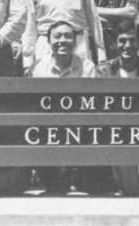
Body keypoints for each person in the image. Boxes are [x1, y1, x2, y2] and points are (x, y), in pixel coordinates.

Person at [31, 22, 103, 194]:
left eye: (68, 36)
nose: (62, 40)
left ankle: (78, 175)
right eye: (57, 36)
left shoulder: (87, 67)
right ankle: (56, 177)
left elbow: (88, 104)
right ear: (48, 41)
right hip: (49, 127)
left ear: (76, 41)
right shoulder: (39, 67)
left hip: (80, 126)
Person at [94, 21, 139, 195]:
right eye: (122, 40)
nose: (127, 45)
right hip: (113, 135)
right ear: (114, 43)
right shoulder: (104, 71)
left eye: (133, 40)